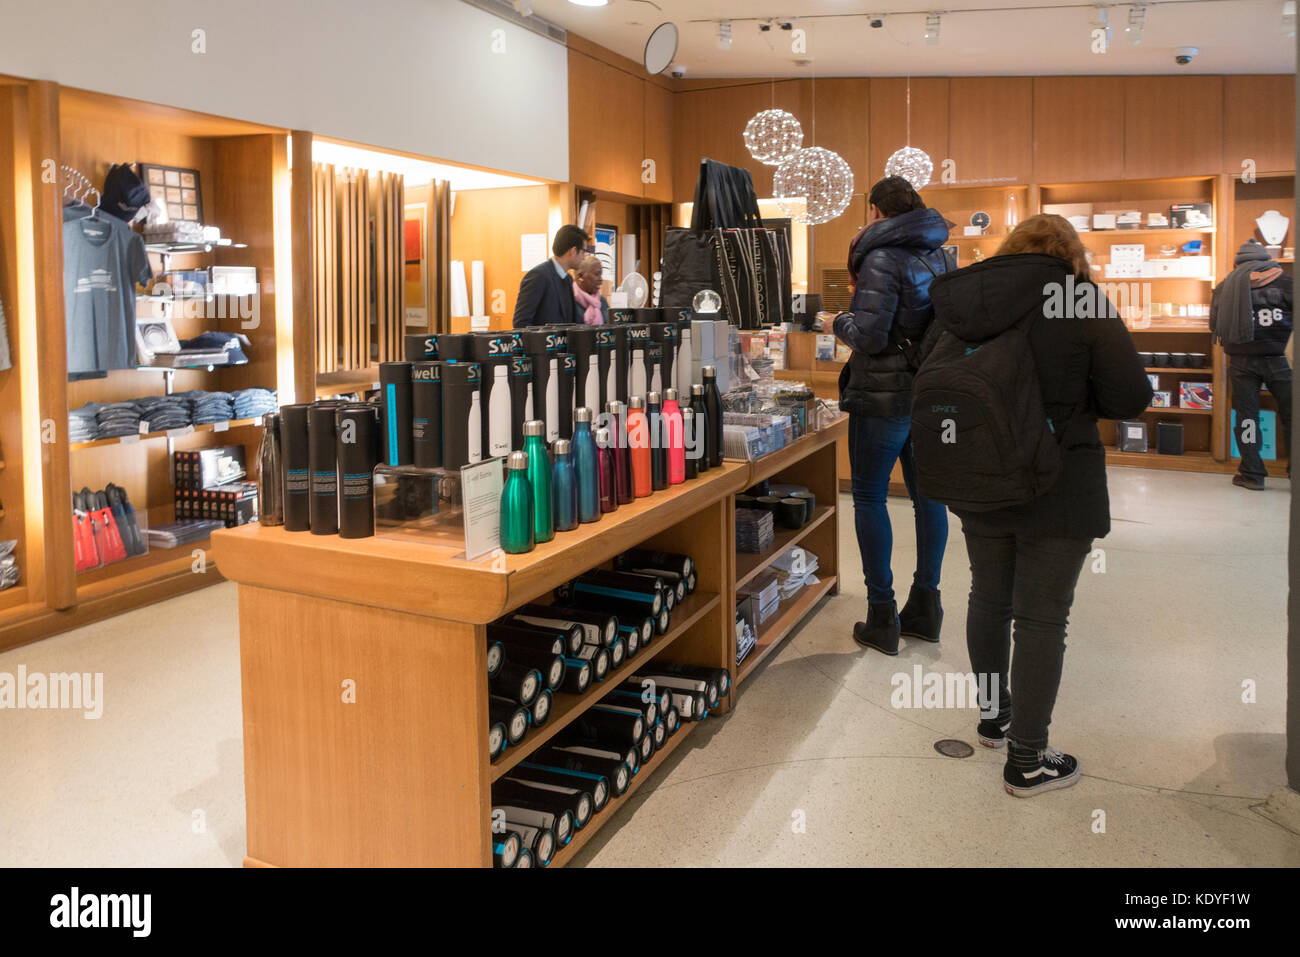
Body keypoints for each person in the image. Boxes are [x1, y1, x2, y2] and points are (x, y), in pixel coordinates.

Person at [926, 214, 1151, 797]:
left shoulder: (970, 299)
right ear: (1068, 254)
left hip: (980, 474)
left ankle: (993, 719)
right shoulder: (1078, 297)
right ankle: (1028, 760)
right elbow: (1130, 395)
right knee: (1042, 617)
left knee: (987, 597)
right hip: (1059, 478)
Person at [819, 175, 952, 655]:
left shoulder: (879, 257)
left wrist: (836, 322)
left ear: (876, 211)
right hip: (928, 391)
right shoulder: (939, 254)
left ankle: (882, 616)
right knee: (927, 498)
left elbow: (871, 337)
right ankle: (926, 607)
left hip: (882, 397)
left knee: (871, 497)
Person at [1210, 238, 1293, 490]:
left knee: (1247, 418)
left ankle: (1252, 472)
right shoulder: (1288, 282)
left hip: (1242, 360)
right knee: (1292, 418)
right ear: (1268, 260)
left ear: (1237, 264)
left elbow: (1215, 324)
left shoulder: (1226, 287)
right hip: (1283, 359)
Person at [512, 224, 590, 328]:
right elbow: (521, 322)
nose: (584, 257)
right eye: (583, 252)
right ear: (573, 251)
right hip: (542, 343)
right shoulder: (538, 276)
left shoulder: (568, 279)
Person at [572, 254, 609, 325]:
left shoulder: (602, 302)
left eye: (601, 275)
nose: (601, 279)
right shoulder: (569, 302)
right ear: (580, 276)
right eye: (597, 274)